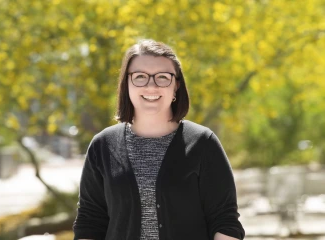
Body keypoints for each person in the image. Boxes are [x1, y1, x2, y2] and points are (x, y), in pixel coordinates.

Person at [73, 39, 245, 240]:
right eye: (140, 77)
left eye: (162, 77)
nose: (151, 86)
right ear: (126, 83)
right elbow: (90, 221)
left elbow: (225, 221)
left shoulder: (203, 143)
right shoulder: (102, 146)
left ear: (176, 86)